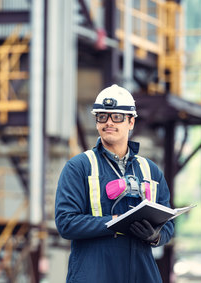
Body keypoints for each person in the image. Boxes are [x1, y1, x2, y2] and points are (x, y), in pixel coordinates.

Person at [55, 84, 174, 283]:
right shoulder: (80, 167)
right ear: (96, 122)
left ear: (131, 122)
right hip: (94, 273)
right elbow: (66, 223)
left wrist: (154, 236)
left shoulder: (150, 171)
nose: (109, 122)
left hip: (141, 274)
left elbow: (169, 223)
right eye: (102, 116)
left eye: (117, 117)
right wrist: (116, 222)